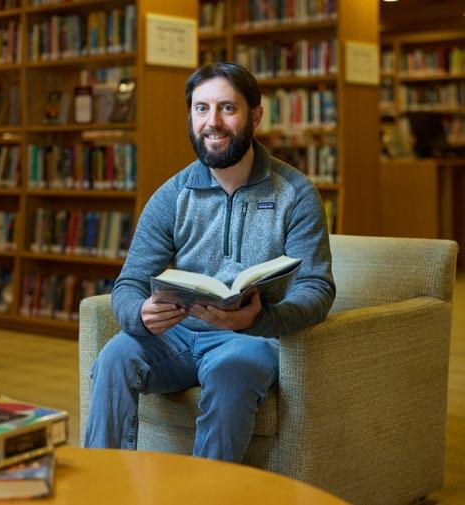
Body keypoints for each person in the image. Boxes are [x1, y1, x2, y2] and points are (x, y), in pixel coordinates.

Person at [84, 62, 336, 462]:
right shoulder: (172, 195)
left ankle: (206, 489)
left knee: (232, 371)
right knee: (115, 356)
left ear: (255, 115)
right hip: (177, 336)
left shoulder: (296, 194)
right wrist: (140, 314)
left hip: (250, 339)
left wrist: (260, 320)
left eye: (227, 108)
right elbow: (130, 282)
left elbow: (317, 288)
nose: (212, 122)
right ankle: (102, 480)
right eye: (201, 108)